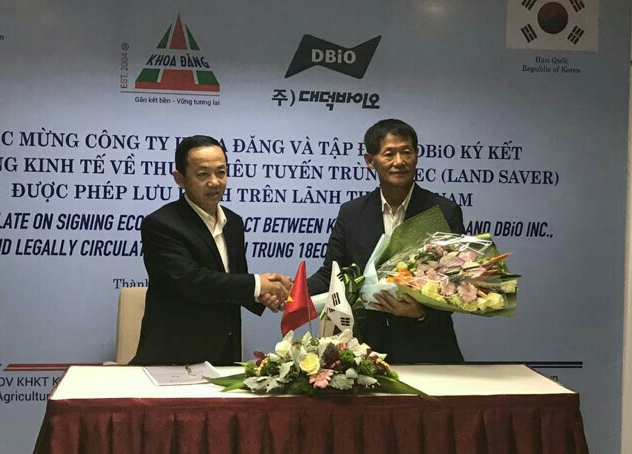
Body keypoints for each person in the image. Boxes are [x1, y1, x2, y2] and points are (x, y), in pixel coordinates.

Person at [308, 119, 465, 363]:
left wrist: (420, 313)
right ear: (370, 161)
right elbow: (332, 273)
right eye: (389, 154)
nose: (399, 161)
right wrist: (291, 292)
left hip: (428, 345)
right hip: (367, 349)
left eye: (407, 152)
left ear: (416, 156)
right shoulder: (351, 213)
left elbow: (454, 283)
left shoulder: (443, 211)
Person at [131, 135, 291, 365]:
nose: (215, 182)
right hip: (174, 355)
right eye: (203, 174)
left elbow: (232, 280)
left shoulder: (233, 222)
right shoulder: (161, 224)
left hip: (225, 354)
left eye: (221, 172)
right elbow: (193, 281)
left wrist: (264, 295)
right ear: (179, 178)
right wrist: (258, 285)